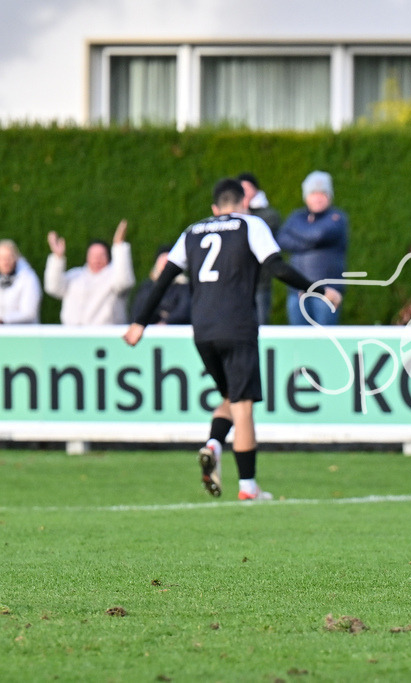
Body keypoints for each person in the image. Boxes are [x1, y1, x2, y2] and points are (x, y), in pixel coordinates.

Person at [124, 179, 341, 501]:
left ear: (214, 208)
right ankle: (248, 487)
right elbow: (277, 268)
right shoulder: (250, 224)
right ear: (242, 203)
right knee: (243, 407)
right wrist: (322, 290)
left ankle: (213, 443)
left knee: (229, 395)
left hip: (203, 330)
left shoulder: (193, 231)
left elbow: (164, 279)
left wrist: (139, 322)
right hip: (237, 326)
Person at [276, 170, 348, 325]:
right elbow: (282, 240)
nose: (318, 198)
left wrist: (299, 236)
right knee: (299, 343)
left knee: (325, 343)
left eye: (322, 193)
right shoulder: (297, 216)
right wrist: (309, 241)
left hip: (327, 293)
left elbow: (319, 234)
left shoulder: (337, 217)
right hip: (298, 293)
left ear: (329, 195)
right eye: (313, 193)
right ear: (306, 196)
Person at [44, 220, 135, 325]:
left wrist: (119, 246)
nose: (97, 259)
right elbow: (53, 287)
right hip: (73, 335)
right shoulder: (76, 275)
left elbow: (124, 281)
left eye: (101, 255)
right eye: (93, 255)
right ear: (87, 257)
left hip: (105, 336)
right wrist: (58, 258)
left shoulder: (114, 276)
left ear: (109, 257)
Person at [238, 172, 283, 325]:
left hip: (260, 280)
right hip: (238, 281)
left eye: (247, 188)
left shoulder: (268, 215)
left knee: (261, 322)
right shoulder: (234, 215)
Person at [130, 245, 191, 325]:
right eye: (162, 259)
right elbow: (137, 312)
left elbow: (184, 311)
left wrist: (166, 322)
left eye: (168, 259)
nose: (165, 262)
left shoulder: (184, 288)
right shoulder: (146, 288)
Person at [0, 239, 42, 324]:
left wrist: (4, 319)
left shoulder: (28, 278)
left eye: (9, 257)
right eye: (2, 257)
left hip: (24, 334)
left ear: (15, 258)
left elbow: (29, 313)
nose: (5, 261)